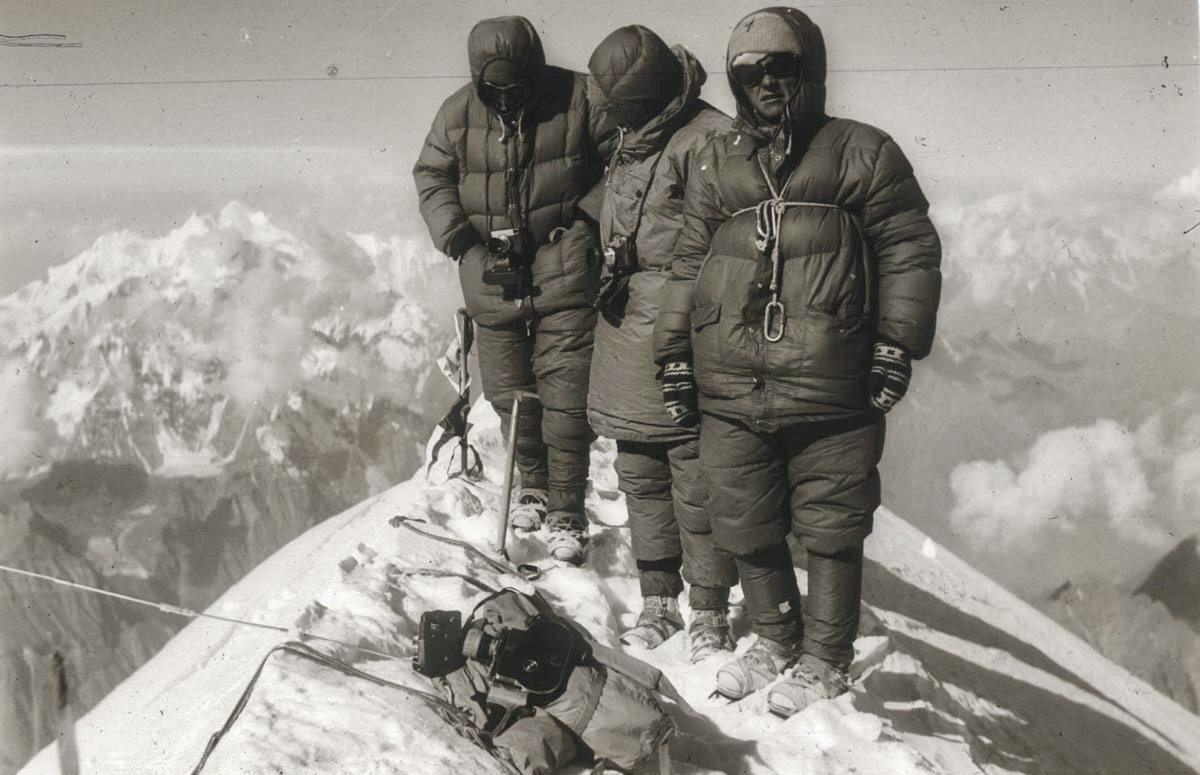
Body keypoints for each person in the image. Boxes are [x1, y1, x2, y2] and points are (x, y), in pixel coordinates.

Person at [653, 6, 941, 713]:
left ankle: (826, 658)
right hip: (731, 382)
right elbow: (688, 265)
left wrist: (894, 344)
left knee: (832, 524)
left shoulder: (862, 152)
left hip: (834, 381)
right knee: (743, 517)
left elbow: (909, 248)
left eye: (780, 67)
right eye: (749, 73)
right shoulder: (721, 164)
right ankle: (777, 637)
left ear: (808, 69)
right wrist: (673, 355)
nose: (765, 84)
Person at [413, 16, 604, 564]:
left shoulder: (580, 99)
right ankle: (533, 485)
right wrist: (461, 242)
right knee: (507, 391)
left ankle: (568, 510)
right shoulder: (457, 114)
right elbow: (431, 175)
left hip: (565, 267)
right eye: (492, 89)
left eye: (514, 86)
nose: (504, 98)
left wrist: (586, 228)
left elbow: (619, 164)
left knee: (567, 397)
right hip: (489, 273)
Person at [584, 26, 739, 663]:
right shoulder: (634, 134)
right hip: (625, 320)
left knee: (692, 472)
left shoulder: (708, 138)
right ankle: (657, 598)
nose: (610, 118)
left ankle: (709, 608)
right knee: (639, 468)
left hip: (684, 320)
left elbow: (725, 247)